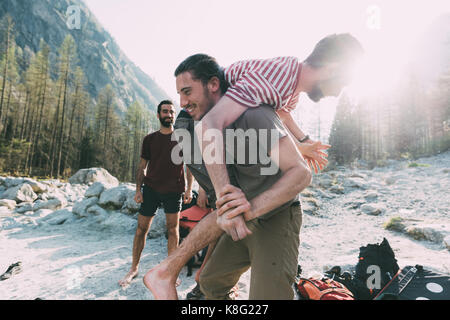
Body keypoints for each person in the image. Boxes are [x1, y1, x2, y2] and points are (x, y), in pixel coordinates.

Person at [118, 100, 194, 287]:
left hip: (174, 191)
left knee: (173, 230)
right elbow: (142, 167)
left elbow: (190, 167)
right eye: (165, 111)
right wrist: (138, 190)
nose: (169, 114)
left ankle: (171, 271)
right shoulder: (149, 139)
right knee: (141, 229)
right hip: (151, 189)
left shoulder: (182, 139)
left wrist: (189, 188)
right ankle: (134, 268)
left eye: (172, 112)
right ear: (158, 114)